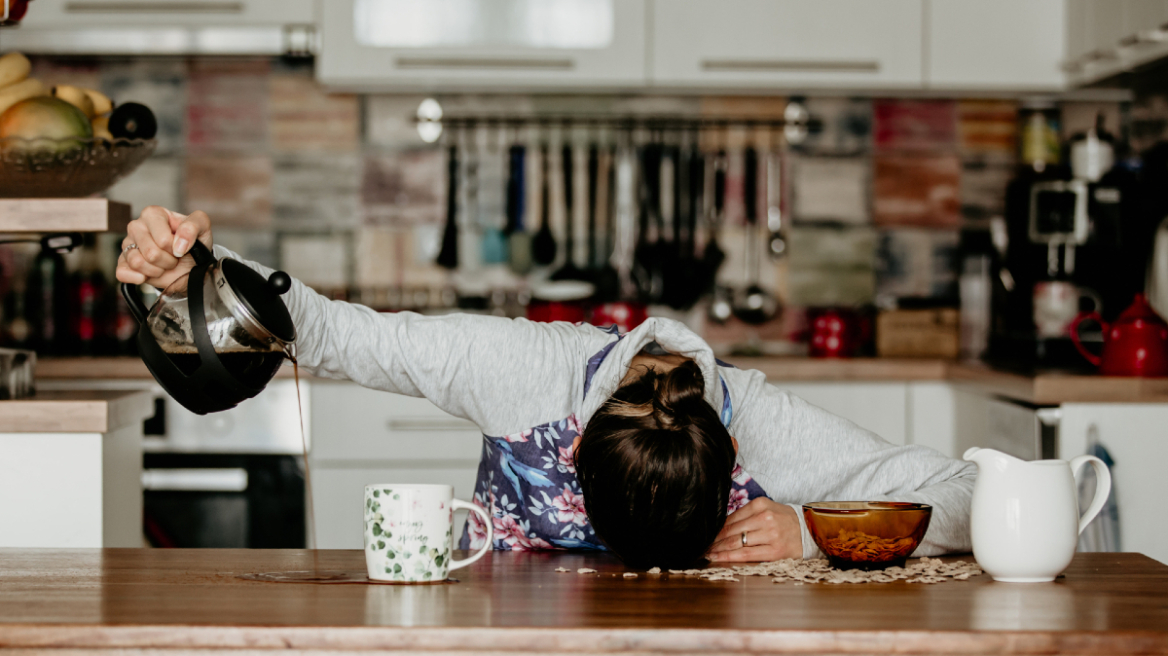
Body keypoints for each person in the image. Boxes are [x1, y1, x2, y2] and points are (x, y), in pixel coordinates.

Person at [117, 206, 977, 570]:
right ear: (570, 442)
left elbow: (971, 493)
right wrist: (190, 272)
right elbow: (335, 332)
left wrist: (813, 530)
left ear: (737, 456)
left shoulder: (768, 424)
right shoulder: (522, 370)